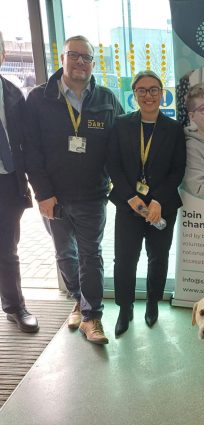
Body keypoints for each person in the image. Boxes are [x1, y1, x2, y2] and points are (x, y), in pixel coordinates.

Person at [23, 35, 124, 345]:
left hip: (93, 195)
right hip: (55, 196)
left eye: (87, 57)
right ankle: (79, 301)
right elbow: (31, 149)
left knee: (91, 256)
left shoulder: (106, 99)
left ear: (93, 63)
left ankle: (92, 317)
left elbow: (121, 144)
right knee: (64, 255)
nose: (81, 62)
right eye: (75, 55)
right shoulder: (39, 99)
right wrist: (42, 193)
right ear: (62, 58)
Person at [107, 70, 186, 337]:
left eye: (154, 90)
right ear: (134, 94)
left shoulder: (174, 129)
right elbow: (112, 164)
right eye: (142, 90)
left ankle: (152, 304)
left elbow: (178, 170)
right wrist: (131, 197)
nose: (148, 95)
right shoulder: (121, 124)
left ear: (162, 93)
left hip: (161, 207)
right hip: (128, 204)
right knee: (125, 259)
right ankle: (124, 308)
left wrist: (159, 202)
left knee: (158, 257)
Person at [0, 30, 39, 333]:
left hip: (7, 182)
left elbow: (26, 142)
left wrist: (29, 182)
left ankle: (15, 306)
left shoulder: (13, 94)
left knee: (6, 249)